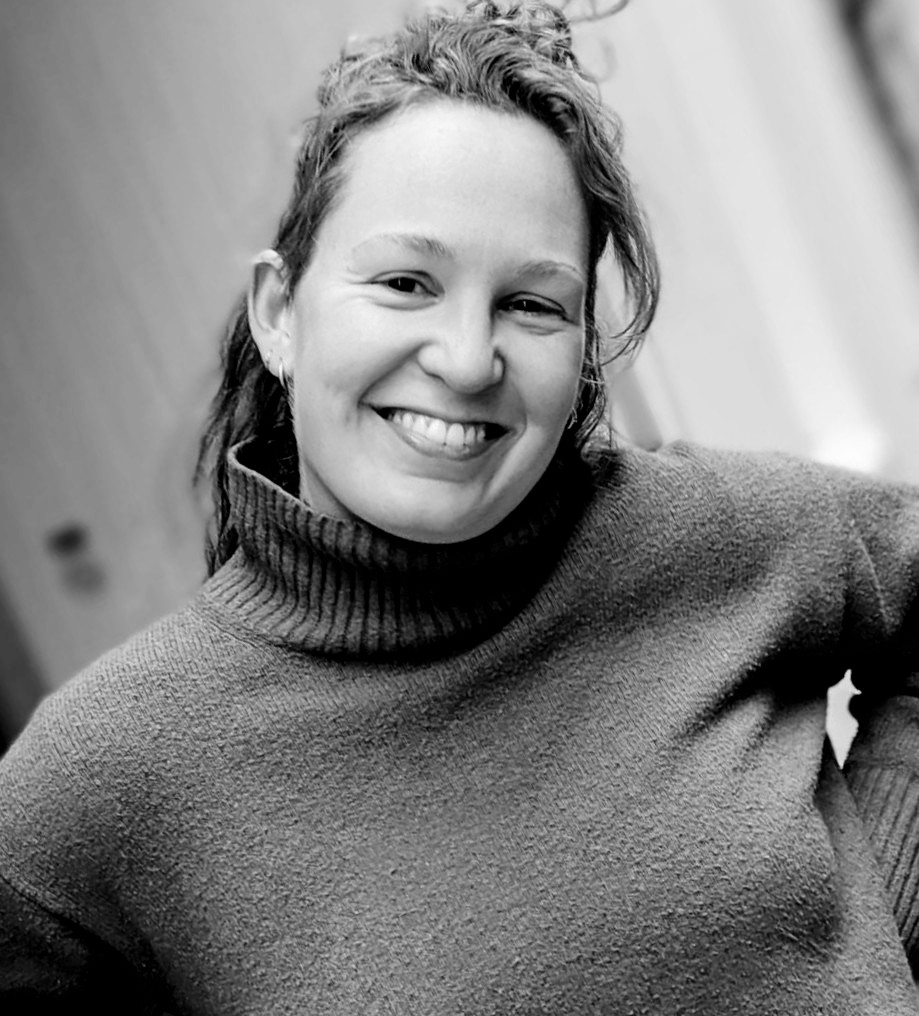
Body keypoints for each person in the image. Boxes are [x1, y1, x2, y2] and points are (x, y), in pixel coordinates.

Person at [1, 2, 918, 1012]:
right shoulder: (110, 772)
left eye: (530, 304)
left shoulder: (712, 534)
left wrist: (874, 925)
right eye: (406, 282)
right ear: (278, 313)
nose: (468, 358)